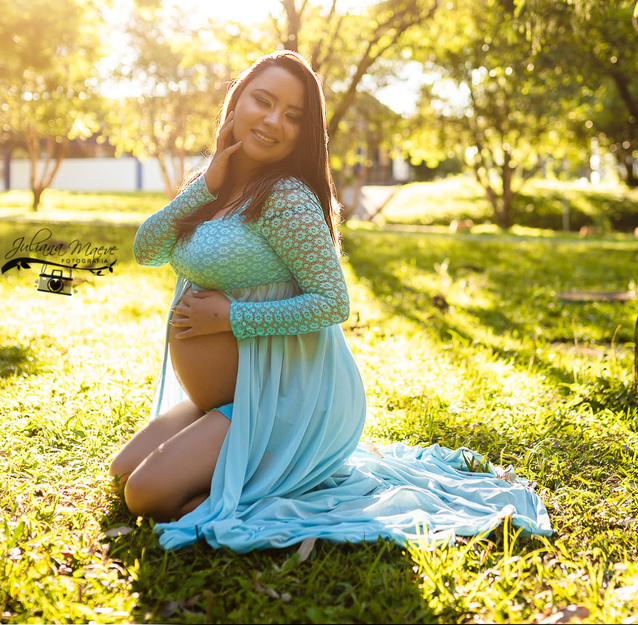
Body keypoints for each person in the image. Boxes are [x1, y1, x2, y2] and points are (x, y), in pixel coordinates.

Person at [111, 50, 551, 552]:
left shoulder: (285, 198)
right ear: (236, 102)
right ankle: (233, 481)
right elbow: (147, 249)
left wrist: (232, 317)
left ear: (304, 132)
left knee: (144, 494)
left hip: (279, 401)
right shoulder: (211, 182)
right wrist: (206, 185)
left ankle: (249, 492)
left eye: (293, 115)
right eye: (263, 101)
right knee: (122, 473)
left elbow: (332, 303)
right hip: (225, 395)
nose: (273, 121)